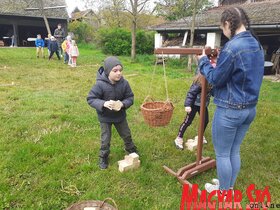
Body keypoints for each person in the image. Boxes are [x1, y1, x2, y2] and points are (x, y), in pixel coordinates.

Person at [197, 7, 264, 196]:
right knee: (234, 150)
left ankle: (223, 193)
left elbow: (216, 79)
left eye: (223, 28)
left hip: (230, 110)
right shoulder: (256, 43)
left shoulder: (232, 47)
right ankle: (228, 187)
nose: (224, 33)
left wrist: (203, 61)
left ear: (228, 23)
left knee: (223, 154)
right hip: (249, 109)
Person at [87, 56, 138, 169]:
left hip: (120, 117)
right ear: (107, 71)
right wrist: (103, 104)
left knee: (126, 134)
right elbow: (91, 99)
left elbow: (130, 97)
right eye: (115, 71)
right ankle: (103, 156)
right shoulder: (100, 84)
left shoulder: (124, 83)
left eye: (120, 70)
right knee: (105, 139)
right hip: (105, 117)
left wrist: (123, 104)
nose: (119, 73)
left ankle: (131, 149)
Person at [174, 72, 213, 150]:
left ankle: (200, 136)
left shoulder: (212, 80)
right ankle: (179, 138)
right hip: (194, 105)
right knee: (188, 121)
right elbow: (191, 93)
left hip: (203, 105)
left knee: (205, 121)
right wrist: (187, 105)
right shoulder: (199, 81)